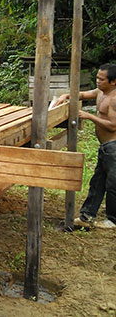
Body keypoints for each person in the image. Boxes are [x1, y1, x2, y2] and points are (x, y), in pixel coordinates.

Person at [56, 63, 116, 229]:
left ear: (113, 82)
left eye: (101, 79)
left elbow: (112, 125)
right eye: (97, 77)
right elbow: (82, 94)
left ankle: (113, 220)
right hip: (105, 146)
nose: (98, 81)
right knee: (97, 182)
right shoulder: (100, 92)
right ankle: (87, 215)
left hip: (114, 147)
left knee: (112, 183)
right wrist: (67, 95)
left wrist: (89, 116)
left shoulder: (114, 99)